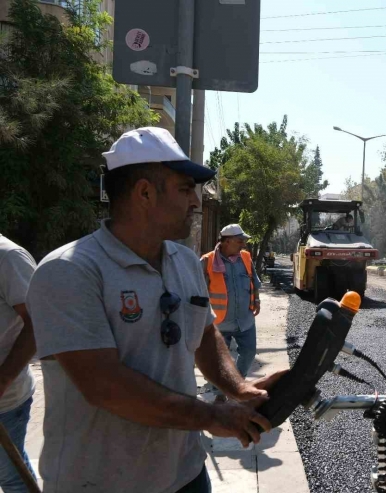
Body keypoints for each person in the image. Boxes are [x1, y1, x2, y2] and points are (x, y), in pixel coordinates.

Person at [26, 127, 282, 493]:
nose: (195, 202)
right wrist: (211, 416)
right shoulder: (69, 271)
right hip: (99, 483)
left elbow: (204, 335)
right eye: (184, 189)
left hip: (185, 473)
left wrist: (241, 388)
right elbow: (104, 386)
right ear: (144, 192)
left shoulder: (184, 260)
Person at [202, 224, 262, 402]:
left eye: (243, 241)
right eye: (239, 241)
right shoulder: (207, 261)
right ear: (226, 242)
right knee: (219, 361)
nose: (243, 244)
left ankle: (237, 384)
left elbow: (254, 282)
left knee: (249, 352)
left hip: (245, 320)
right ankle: (219, 393)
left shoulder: (245, 258)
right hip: (219, 322)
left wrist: (256, 300)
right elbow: (198, 291)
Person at [0, 235, 38, 492]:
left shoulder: (9, 258)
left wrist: (2, 380)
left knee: (12, 479)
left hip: (5, 403)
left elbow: (39, 324)